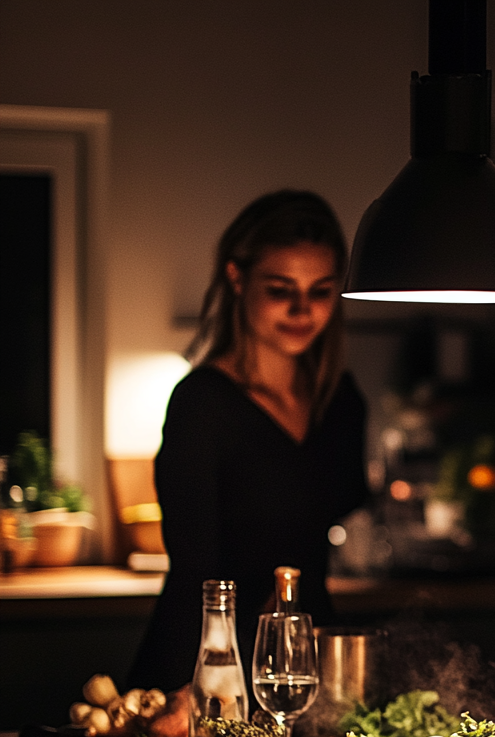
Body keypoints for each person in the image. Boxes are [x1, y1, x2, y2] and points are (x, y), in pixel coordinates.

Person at [129, 190, 368, 703]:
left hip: (305, 663)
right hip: (202, 664)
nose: (302, 309)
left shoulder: (340, 402)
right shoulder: (202, 404)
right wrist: (198, 688)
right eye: (282, 289)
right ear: (238, 279)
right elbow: (196, 565)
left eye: (321, 290)